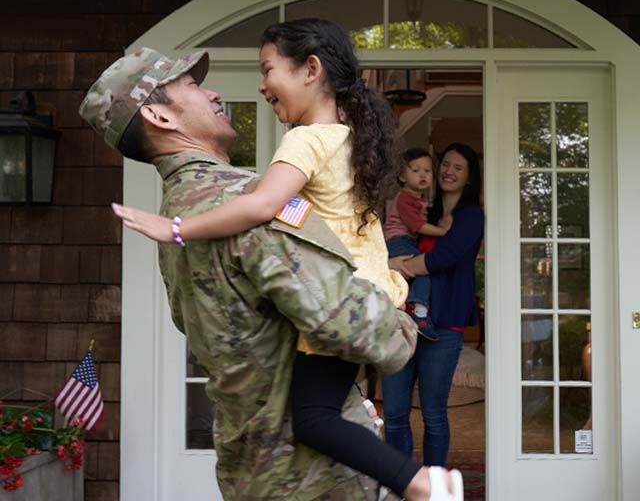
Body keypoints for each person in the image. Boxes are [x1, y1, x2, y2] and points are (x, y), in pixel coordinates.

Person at [79, 47, 464, 500]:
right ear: (160, 118)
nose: (213, 92)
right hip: (311, 477)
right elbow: (346, 318)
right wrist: (402, 323)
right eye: (191, 86)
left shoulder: (180, 217)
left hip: (251, 467)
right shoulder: (242, 202)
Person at [383, 143, 484, 467]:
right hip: (400, 322)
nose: (448, 171)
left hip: (444, 325)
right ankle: (401, 482)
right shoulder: (422, 209)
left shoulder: (470, 216)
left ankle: (433, 484)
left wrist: (398, 265)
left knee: (433, 414)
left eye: (458, 167)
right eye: (446, 164)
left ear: (469, 178)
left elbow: (444, 256)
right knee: (395, 413)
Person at [383, 148, 451, 342]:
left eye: (427, 171)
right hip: (398, 240)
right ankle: (419, 313)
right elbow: (417, 225)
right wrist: (443, 231)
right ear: (402, 177)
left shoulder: (418, 198)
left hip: (405, 240)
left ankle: (401, 309)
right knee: (423, 270)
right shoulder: (404, 198)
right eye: (415, 170)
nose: (423, 175)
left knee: (406, 276)